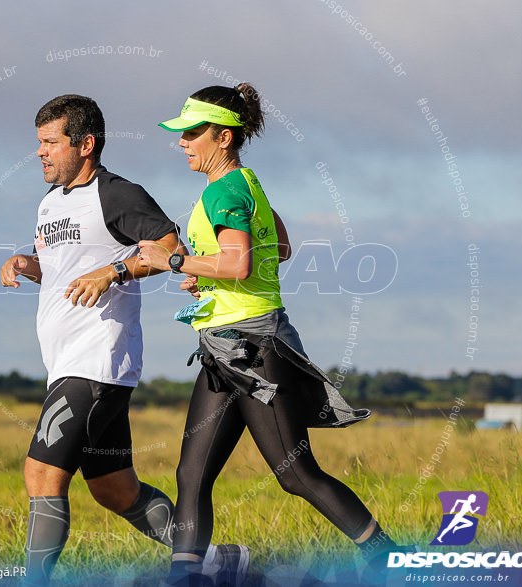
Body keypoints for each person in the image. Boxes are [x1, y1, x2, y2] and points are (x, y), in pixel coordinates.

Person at [138, 84, 402, 586]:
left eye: (192, 133)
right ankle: (185, 577)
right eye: (181, 134)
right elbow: (277, 246)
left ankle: (389, 556)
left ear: (223, 136)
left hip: (254, 348)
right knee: (192, 476)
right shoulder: (247, 183)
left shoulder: (223, 190)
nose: (182, 142)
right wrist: (204, 270)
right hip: (226, 347)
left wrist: (171, 260)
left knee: (295, 474)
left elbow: (238, 263)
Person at [0, 94, 188, 586]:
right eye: (37, 143)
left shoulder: (118, 194)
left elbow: (172, 252)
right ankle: (212, 558)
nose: (40, 153)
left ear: (85, 144)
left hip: (97, 360)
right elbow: (68, 273)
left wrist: (115, 270)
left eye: (49, 142)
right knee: (114, 490)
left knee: (41, 476)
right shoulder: (48, 205)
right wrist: (28, 265)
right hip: (67, 363)